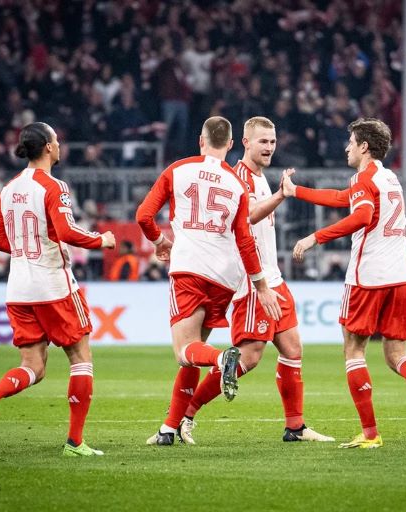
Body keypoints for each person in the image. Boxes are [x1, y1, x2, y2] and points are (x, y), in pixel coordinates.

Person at [283, 118, 406, 448]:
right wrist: (297, 192)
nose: (346, 147)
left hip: (368, 276)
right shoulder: (389, 178)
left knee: (353, 349)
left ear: (364, 147)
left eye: (350, 142)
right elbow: (341, 198)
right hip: (400, 276)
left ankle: (370, 433)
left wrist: (314, 238)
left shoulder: (365, 178)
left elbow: (361, 216)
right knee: (396, 355)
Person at [177, 116, 333, 444]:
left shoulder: (261, 178)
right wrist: (280, 197)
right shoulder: (238, 178)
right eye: (263, 142)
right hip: (253, 282)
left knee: (292, 348)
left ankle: (295, 426)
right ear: (245, 143)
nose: (269, 148)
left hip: (274, 277)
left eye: (273, 142)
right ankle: (186, 415)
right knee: (248, 357)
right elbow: (245, 218)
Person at [0, 122, 117, 457]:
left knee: (33, 365)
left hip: (18, 289)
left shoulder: (8, 188)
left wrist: (23, 248)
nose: (60, 145)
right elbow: (65, 230)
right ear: (48, 147)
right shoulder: (54, 186)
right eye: (57, 140)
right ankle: (75, 442)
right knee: (80, 357)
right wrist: (100, 240)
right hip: (53, 285)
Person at [136, 116, 282, 446]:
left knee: (184, 351)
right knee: (193, 352)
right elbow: (245, 239)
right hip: (226, 277)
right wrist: (260, 285)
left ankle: (221, 359)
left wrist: (160, 241)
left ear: (201, 141)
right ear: (231, 145)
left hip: (189, 268)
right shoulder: (236, 183)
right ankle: (169, 429)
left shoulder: (178, 169)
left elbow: (143, 216)